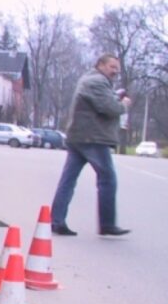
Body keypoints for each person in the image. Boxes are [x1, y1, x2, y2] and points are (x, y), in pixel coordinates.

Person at [50, 54, 131, 237]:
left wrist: (114, 98)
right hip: (92, 138)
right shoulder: (96, 82)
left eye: (117, 68)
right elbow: (110, 108)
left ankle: (57, 220)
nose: (115, 71)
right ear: (100, 65)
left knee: (68, 180)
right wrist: (123, 104)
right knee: (108, 179)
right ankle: (107, 224)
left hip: (80, 137)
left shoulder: (90, 80)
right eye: (112, 66)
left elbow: (102, 103)